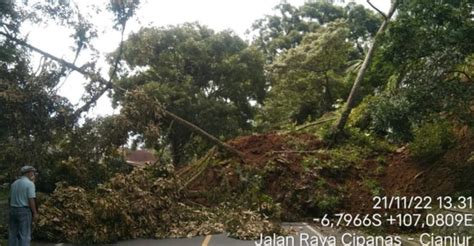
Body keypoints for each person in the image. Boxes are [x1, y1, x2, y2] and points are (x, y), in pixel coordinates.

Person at [8, 166, 38, 246]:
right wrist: (34, 212)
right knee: (24, 235)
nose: (33, 174)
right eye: (32, 172)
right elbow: (31, 199)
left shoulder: (14, 184)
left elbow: (9, 198)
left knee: (13, 234)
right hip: (24, 211)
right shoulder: (30, 184)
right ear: (28, 173)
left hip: (13, 209)